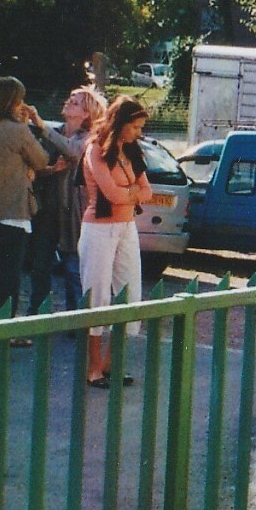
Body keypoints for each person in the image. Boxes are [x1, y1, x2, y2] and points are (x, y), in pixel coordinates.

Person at [0, 77, 73, 328]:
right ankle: (3, 328)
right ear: (14, 101)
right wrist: (27, 126)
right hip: (10, 210)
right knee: (7, 274)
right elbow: (41, 158)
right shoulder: (17, 129)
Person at [79, 96, 152, 388]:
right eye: (135, 127)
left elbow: (148, 191)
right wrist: (132, 190)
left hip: (126, 228)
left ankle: (109, 364)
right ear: (120, 123)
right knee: (97, 294)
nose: (139, 133)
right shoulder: (96, 149)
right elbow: (111, 194)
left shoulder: (131, 151)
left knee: (130, 291)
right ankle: (93, 368)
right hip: (99, 228)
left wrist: (130, 191)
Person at [29, 86, 106, 314]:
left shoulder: (90, 138)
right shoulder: (55, 132)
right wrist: (51, 169)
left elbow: (74, 151)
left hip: (74, 210)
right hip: (48, 207)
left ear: (87, 113)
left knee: (74, 266)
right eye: (69, 98)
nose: (68, 102)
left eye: (76, 101)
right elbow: (37, 166)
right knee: (40, 265)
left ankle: (77, 317)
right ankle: (37, 314)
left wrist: (41, 125)